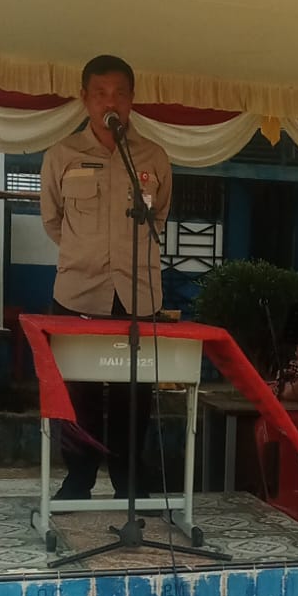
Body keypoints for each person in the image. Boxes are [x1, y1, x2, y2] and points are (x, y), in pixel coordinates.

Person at [39, 53, 172, 498]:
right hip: (78, 292)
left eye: (119, 93)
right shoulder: (62, 155)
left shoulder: (154, 157)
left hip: (137, 295)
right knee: (78, 394)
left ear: (131, 99)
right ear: (85, 98)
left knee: (133, 395)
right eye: (100, 94)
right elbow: (52, 220)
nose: (109, 102)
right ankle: (79, 477)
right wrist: (87, 254)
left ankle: (129, 480)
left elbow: (159, 216)